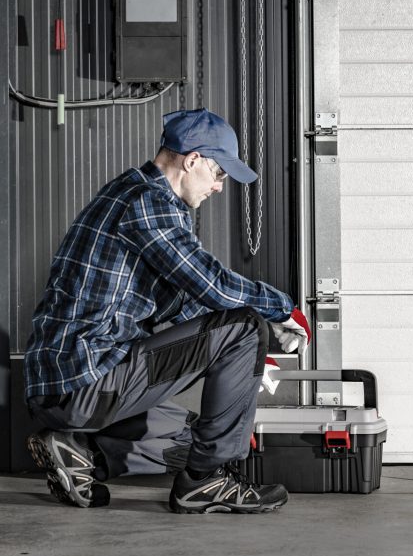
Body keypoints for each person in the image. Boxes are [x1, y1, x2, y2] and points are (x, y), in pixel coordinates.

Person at [24, 107, 311, 514]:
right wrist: (281, 311)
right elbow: (211, 284)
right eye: (219, 175)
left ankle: (82, 453)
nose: (218, 188)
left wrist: (244, 366)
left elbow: (180, 303)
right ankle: (205, 482)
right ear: (192, 160)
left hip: (73, 382)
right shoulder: (148, 202)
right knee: (246, 325)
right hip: (85, 379)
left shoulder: (132, 193)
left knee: (188, 436)